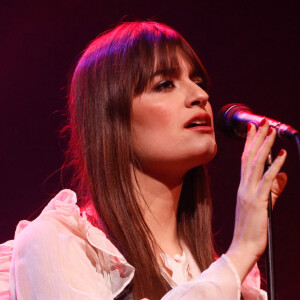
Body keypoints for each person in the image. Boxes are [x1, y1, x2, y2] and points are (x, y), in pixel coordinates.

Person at [0, 21, 287, 300]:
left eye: (198, 82)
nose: (200, 95)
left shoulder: (213, 271)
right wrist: (242, 251)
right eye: (164, 84)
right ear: (112, 119)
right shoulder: (58, 243)